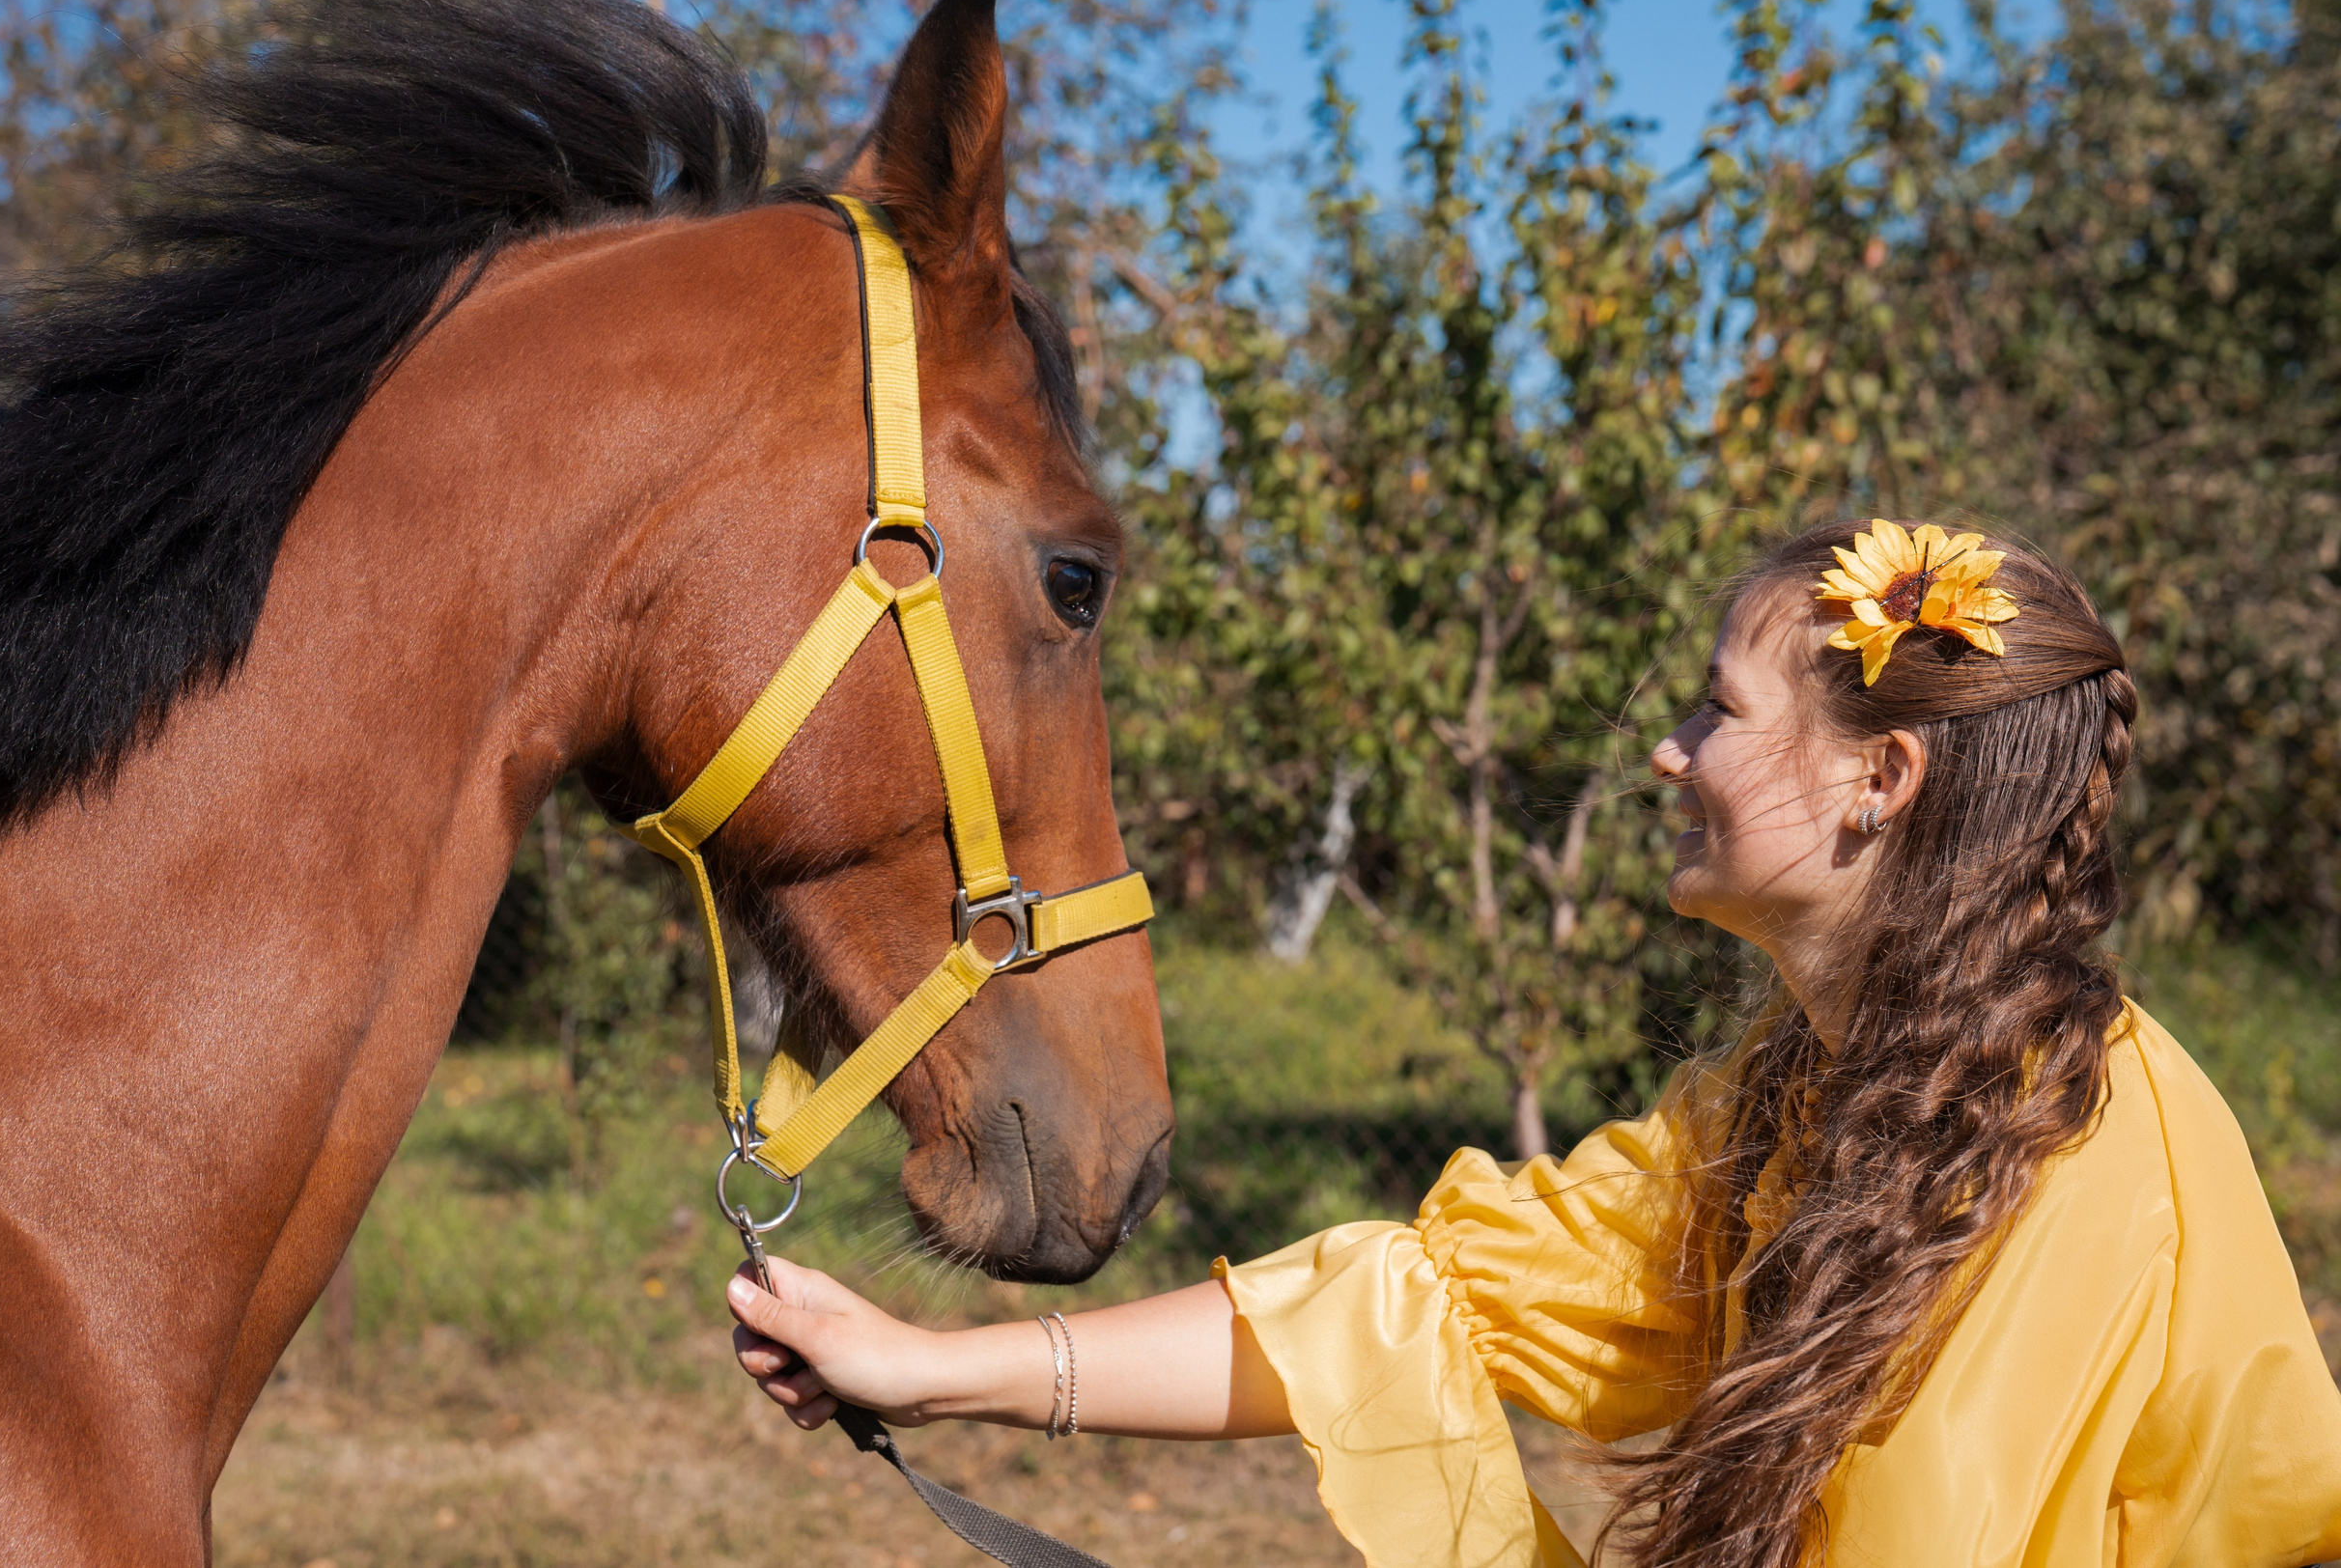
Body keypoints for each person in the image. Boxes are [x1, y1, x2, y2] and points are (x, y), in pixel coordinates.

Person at [724, 519, 2341, 1567]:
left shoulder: (2074, 1143)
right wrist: (934, 1374)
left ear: (1880, 779)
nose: (1667, 748)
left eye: (1715, 710)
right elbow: (1419, 1299)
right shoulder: (1790, 1101)